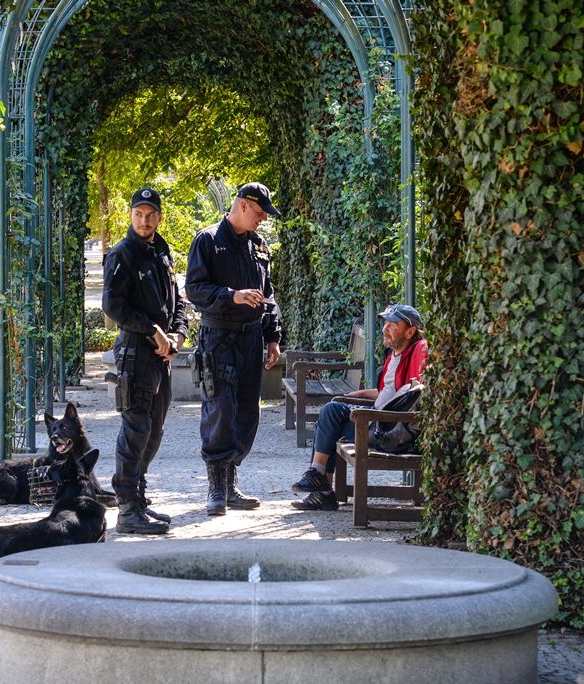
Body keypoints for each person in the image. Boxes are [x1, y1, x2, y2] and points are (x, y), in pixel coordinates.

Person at [185, 182, 283, 516]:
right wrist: (232, 295)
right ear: (242, 206)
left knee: (246, 412)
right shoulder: (208, 240)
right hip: (219, 339)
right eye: (258, 213)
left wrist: (273, 337)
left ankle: (230, 482)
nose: (262, 220)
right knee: (220, 409)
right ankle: (216, 487)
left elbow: (268, 295)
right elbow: (195, 290)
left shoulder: (258, 244)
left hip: (251, 339)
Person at [102, 187, 188, 534]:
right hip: (136, 354)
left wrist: (177, 335)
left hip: (161, 356)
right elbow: (113, 306)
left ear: (159, 217)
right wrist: (153, 330)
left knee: (153, 432)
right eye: (138, 214)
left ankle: (138, 498)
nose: (144, 220)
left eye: (150, 214)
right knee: (136, 431)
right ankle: (126, 509)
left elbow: (178, 301)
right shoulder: (122, 255)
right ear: (130, 216)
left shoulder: (162, 252)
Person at [290, 304, 428, 510]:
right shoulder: (393, 355)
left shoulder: (419, 351)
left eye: (393, 325)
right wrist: (354, 395)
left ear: (410, 331)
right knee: (331, 413)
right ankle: (320, 483)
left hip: (390, 430)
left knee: (329, 417)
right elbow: (386, 393)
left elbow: (414, 394)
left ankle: (321, 487)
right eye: (385, 324)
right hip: (377, 421)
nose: (385, 329)